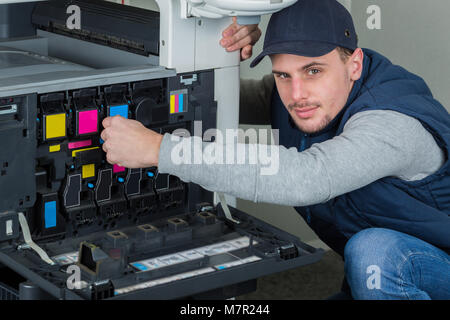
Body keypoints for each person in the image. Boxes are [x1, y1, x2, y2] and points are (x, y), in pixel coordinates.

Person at [100, 0, 450, 299]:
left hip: (412, 264)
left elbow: (305, 177)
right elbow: (227, 101)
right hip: (376, 274)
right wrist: (215, 50)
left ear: (353, 64)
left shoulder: (392, 123)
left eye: (313, 70)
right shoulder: (300, 96)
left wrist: (160, 149)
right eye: (283, 74)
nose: (297, 94)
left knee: (375, 251)